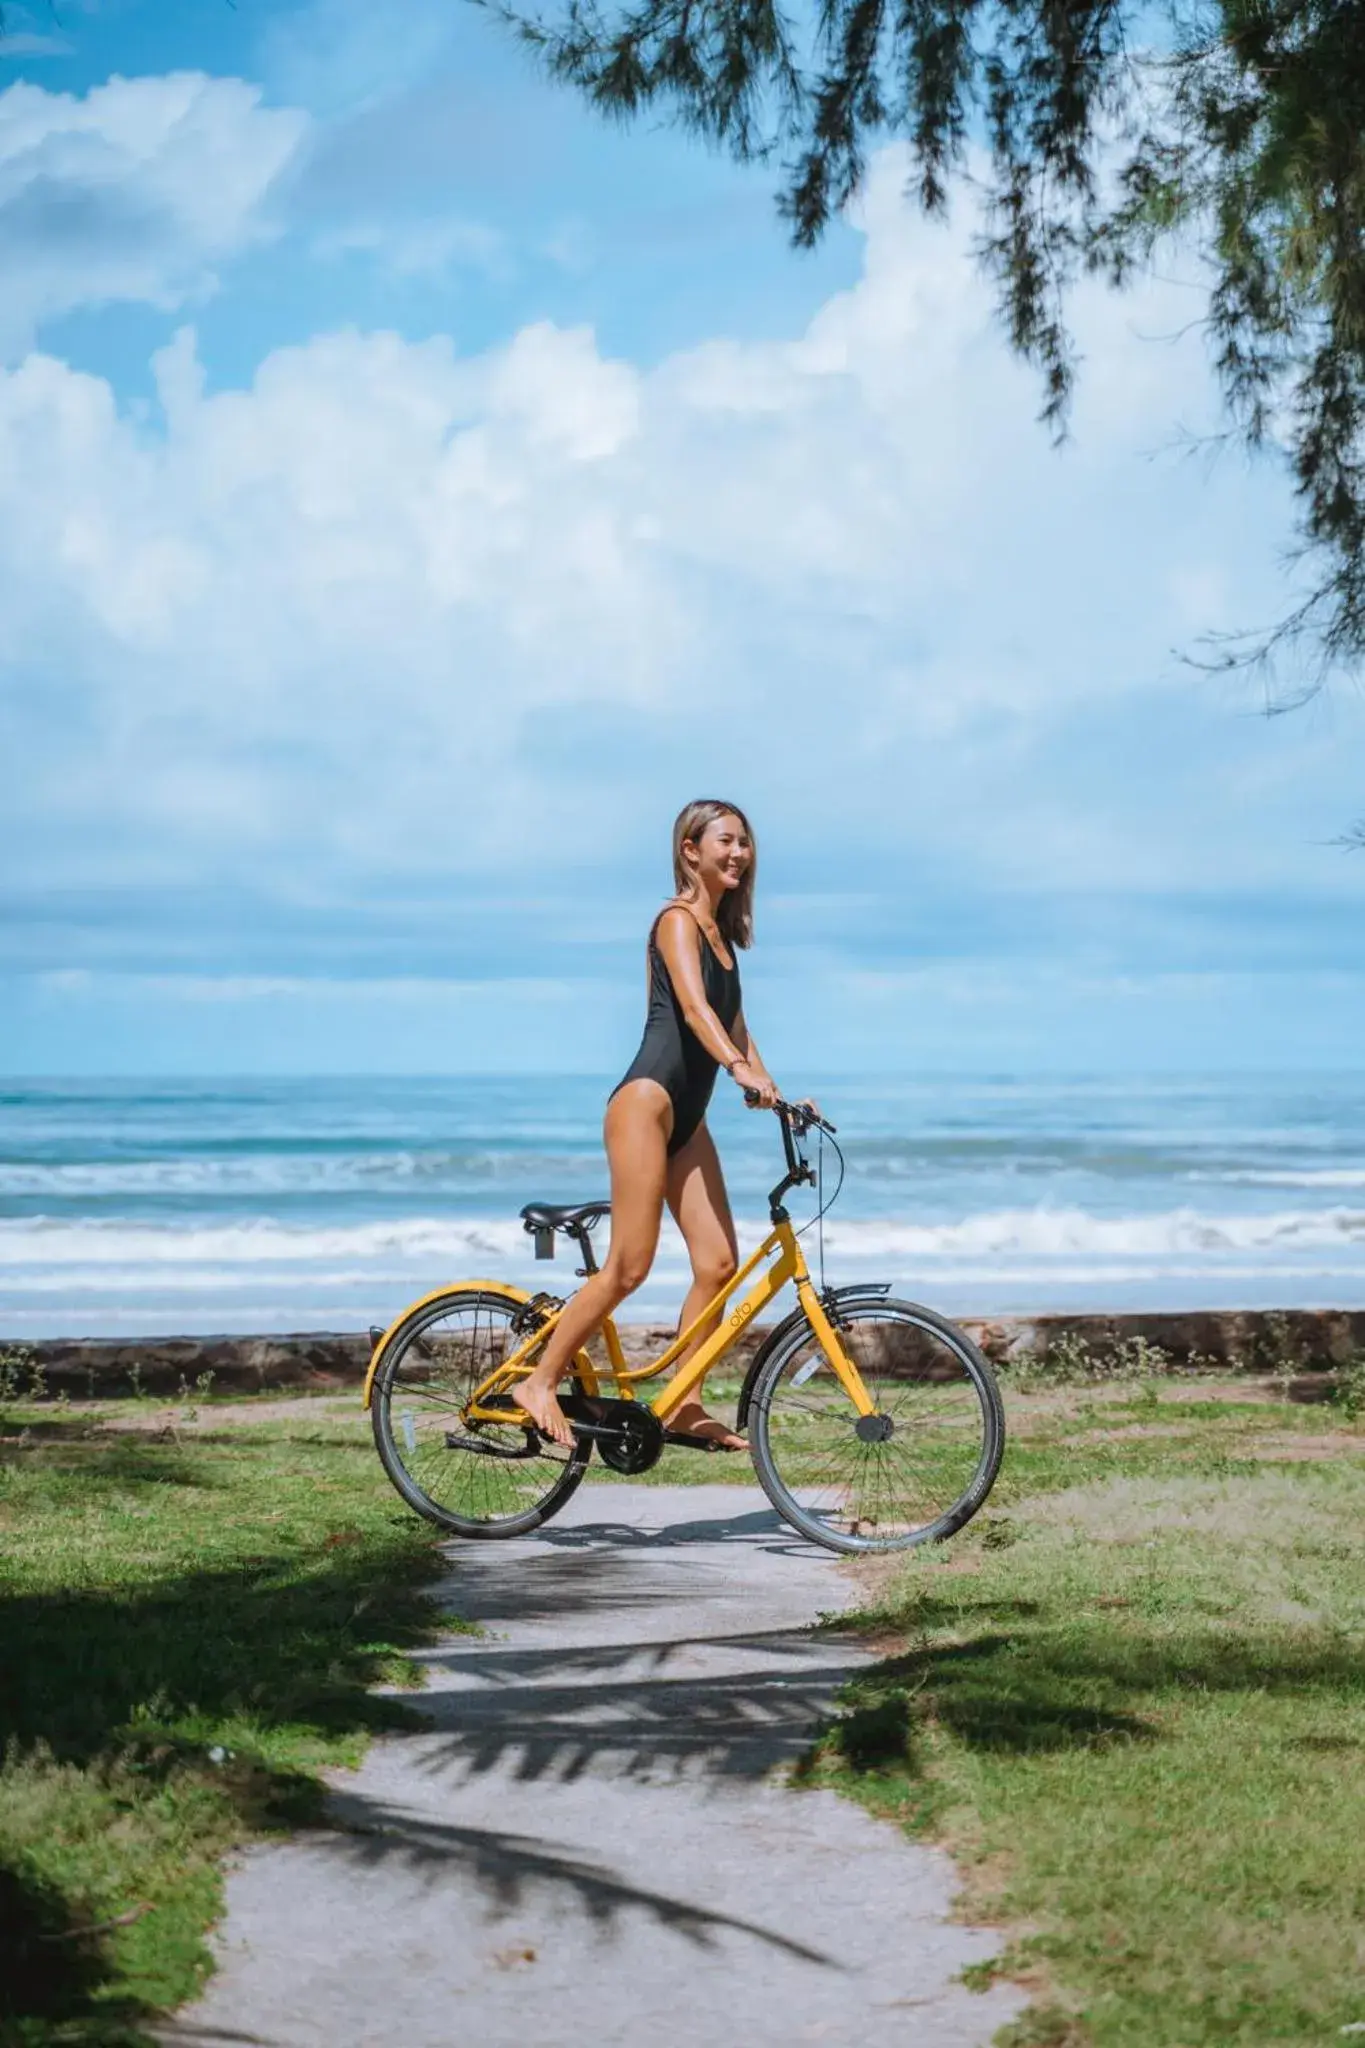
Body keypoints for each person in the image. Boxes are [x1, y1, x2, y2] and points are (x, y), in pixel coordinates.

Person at [513, 798, 782, 1449]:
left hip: (687, 1119)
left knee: (718, 1264)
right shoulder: (676, 921)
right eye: (725, 841)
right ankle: (538, 1381)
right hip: (646, 1103)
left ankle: (682, 1402)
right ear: (690, 850)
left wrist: (772, 1088)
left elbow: (738, 1031)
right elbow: (694, 1011)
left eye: (744, 843)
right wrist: (735, 1069)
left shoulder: (725, 941)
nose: (738, 854)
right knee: (628, 1267)